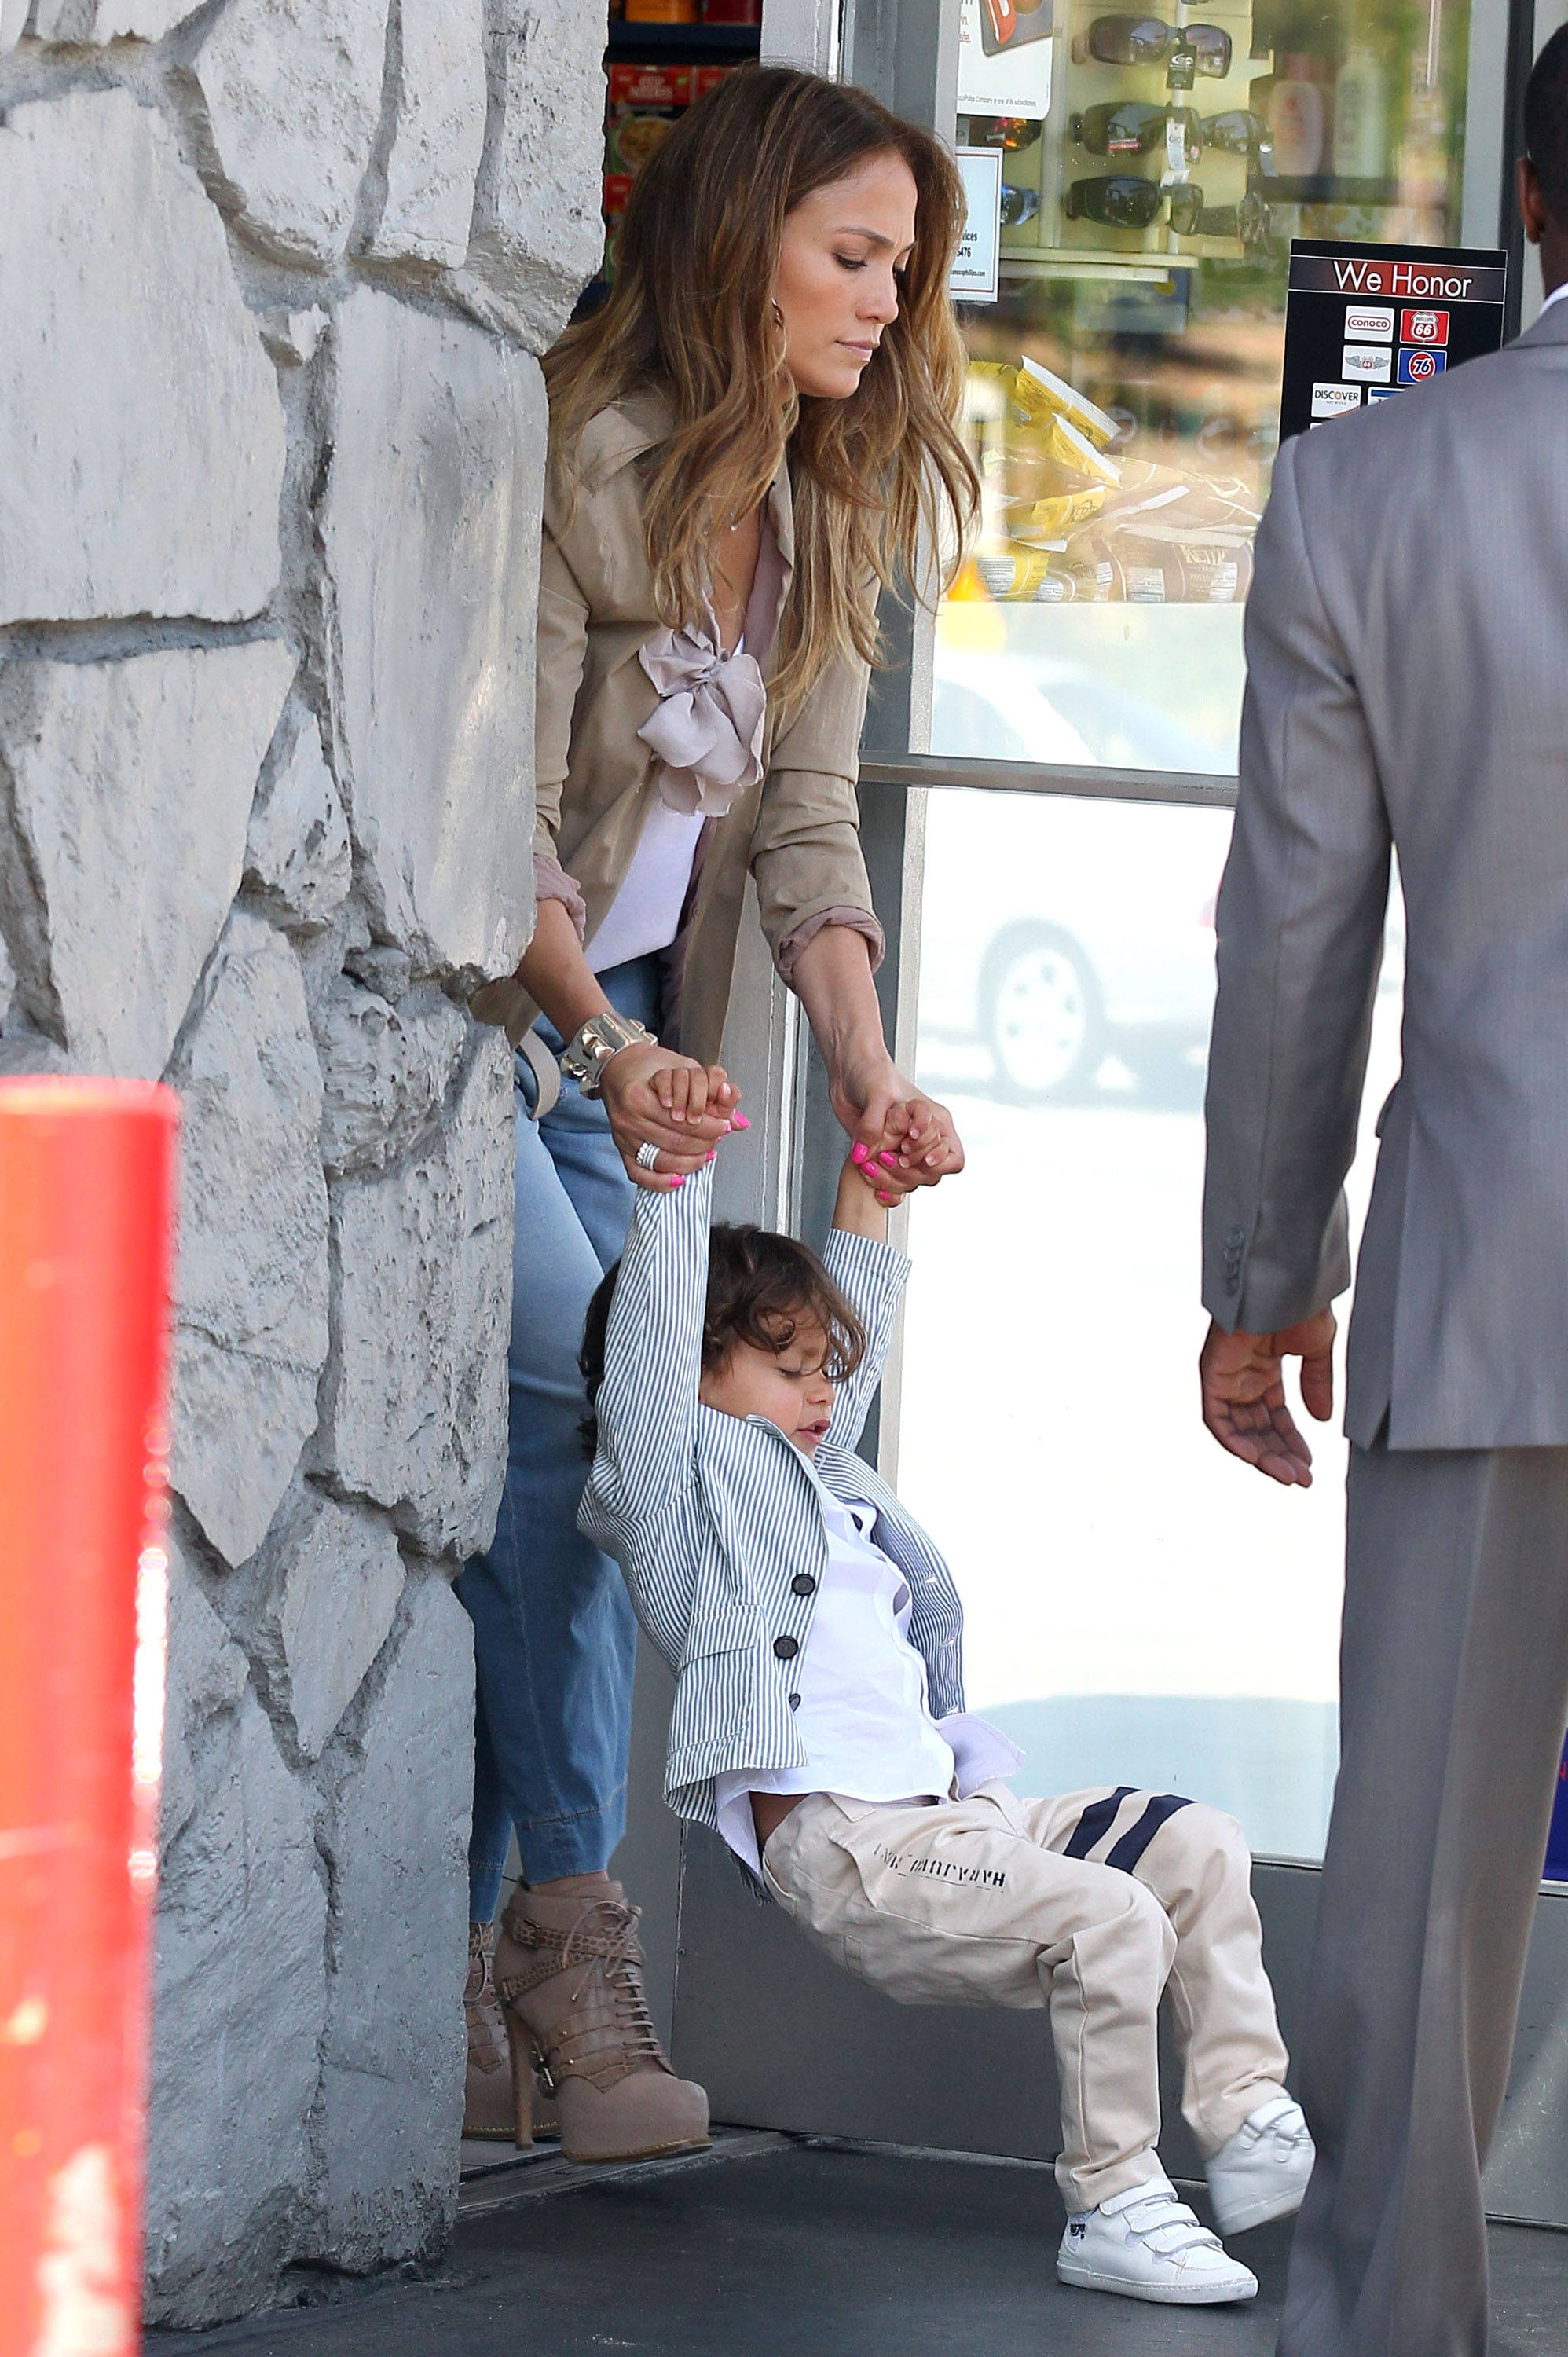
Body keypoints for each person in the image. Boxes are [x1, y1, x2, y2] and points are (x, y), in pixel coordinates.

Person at [456, 64, 977, 2160]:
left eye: (901, 269)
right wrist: (603, 1041)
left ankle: (493, 1980)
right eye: (851, 255)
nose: (881, 301)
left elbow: (810, 834)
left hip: (630, 1076)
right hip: (489, 1039)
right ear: (740, 240)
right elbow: (494, 817)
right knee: (584, 1424)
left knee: (587, 1474)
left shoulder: (823, 504)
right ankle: (573, 1960)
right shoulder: (574, 460)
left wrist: (866, 1068)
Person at [549, 1087, 1315, 2304]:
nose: (821, 1393)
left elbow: (845, 1355)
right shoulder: (674, 1498)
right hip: (856, 1848)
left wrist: (872, 1180)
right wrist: (672, 1176)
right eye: (788, 1368)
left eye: (825, 1368)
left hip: (964, 1818)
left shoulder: (828, 1483)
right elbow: (651, 1357)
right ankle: (1114, 2201)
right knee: (1114, 1921)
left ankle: (1243, 2107)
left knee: (1199, 1845)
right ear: (695, 1373)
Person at [1198, 30, 1568, 2352]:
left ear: (1529, 199)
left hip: (1491, 1256)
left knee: (1417, 1867)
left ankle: (1386, 2327)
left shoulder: (1364, 492)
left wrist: (1261, 1276)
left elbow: (1294, 936)